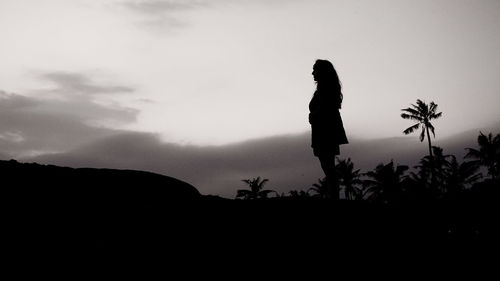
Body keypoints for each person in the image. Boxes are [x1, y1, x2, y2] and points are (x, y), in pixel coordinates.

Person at [309, 59, 348, 200]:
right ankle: (333, 195)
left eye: (315, 69)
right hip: (323, 130)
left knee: (328, 166)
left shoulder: (326, 89)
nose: (312, 72)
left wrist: (315, 115)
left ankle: (334, 197)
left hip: (326, 131)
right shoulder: (324, 88)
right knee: (327, 165)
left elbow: (326, 109)